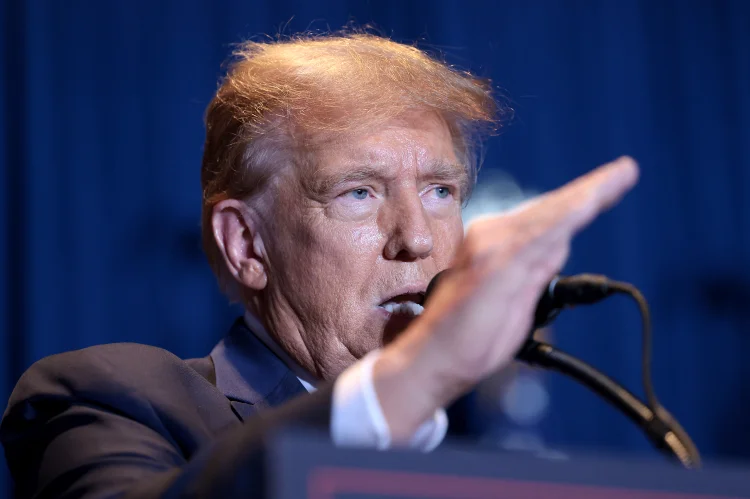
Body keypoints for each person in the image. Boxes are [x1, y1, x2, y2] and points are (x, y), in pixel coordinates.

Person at [0, 32, 639, 498]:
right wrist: (421, 374)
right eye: (358, 193)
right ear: (246, 244)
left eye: (440, 192)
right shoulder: (113, 400)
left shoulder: (481, 461)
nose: (417, 239)